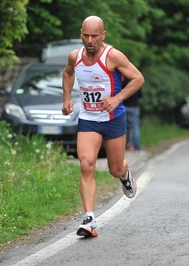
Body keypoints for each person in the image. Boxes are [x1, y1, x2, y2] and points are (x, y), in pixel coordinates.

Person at [62, 15, 145, 237]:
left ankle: (125, 174)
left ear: (103, 35)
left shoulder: (113, 56)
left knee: (114, 169)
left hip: (113, 119)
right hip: (88, 119)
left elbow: (138, 78)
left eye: (94, 36)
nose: (90, 40)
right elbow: (68, 73)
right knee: (87, 164)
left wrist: (117, 98)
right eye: (86, 35)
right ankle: (89, 219)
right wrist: (67, 98)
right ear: (81, 33)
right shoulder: (75, 57)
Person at [122, 77, 142, 151]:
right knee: (135, 127)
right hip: (134, 107)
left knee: (125, 127)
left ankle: (126, 146)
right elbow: (140, 95)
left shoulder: (123, 83)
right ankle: (137, 147)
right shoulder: (137, 83)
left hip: (125, 106)